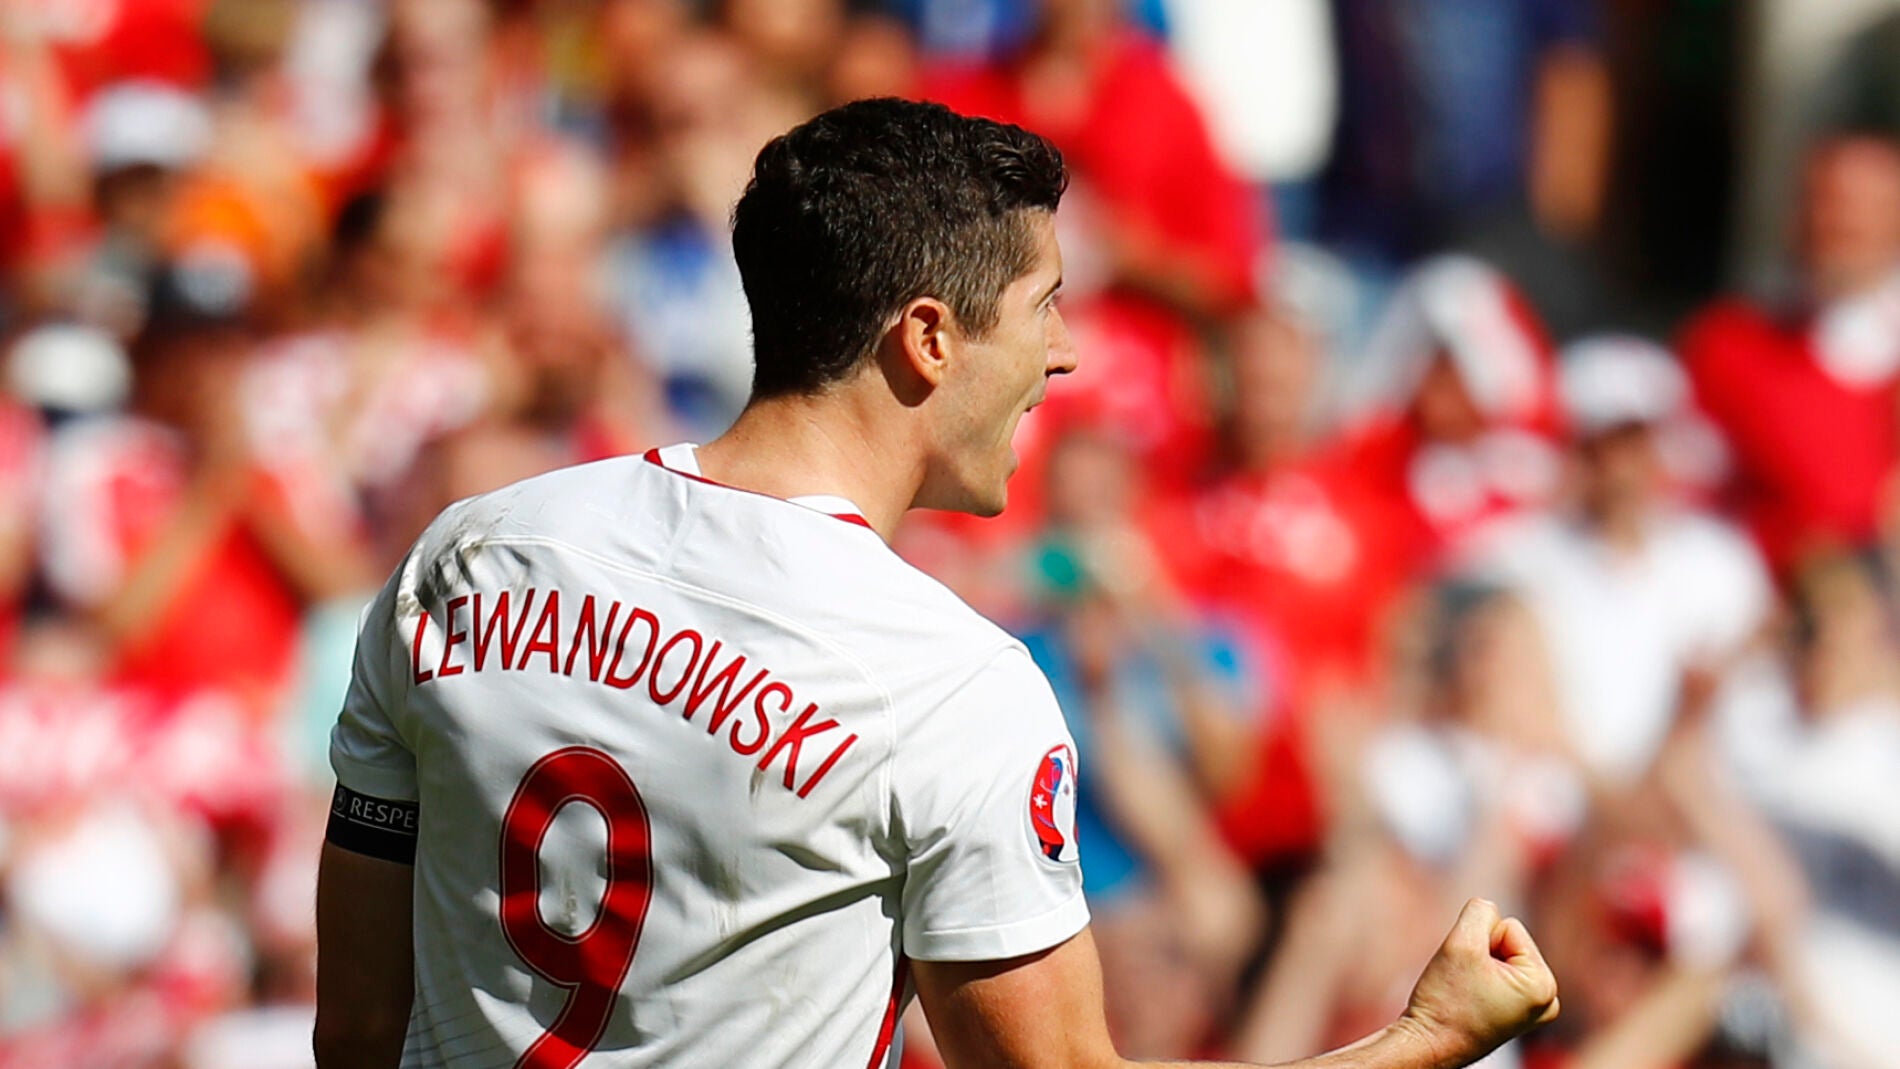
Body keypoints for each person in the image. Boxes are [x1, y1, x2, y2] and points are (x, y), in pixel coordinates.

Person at [313, 98, 1558, 1069]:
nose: (1066, 353)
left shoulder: (472, 556)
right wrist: (1424, 1038)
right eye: (1045, 307)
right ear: (927, 339)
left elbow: (358, 1029)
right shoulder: (948, 683)